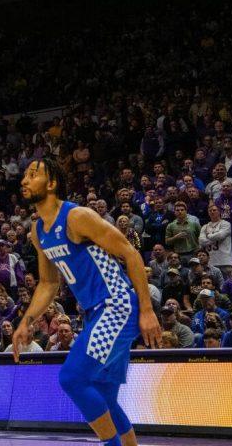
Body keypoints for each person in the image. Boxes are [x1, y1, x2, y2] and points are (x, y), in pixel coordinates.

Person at [13, 159, 161, 446]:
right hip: (94, 313)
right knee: (104, 394)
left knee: (73, 378)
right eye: (24, 176)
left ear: (52, 183)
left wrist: (146, 309)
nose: (24, 181)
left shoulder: (77, 217)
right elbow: (48, 283)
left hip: (116, 304)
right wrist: (26, 322)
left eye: (33, 175)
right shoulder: (38, 231)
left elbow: (130, 253)